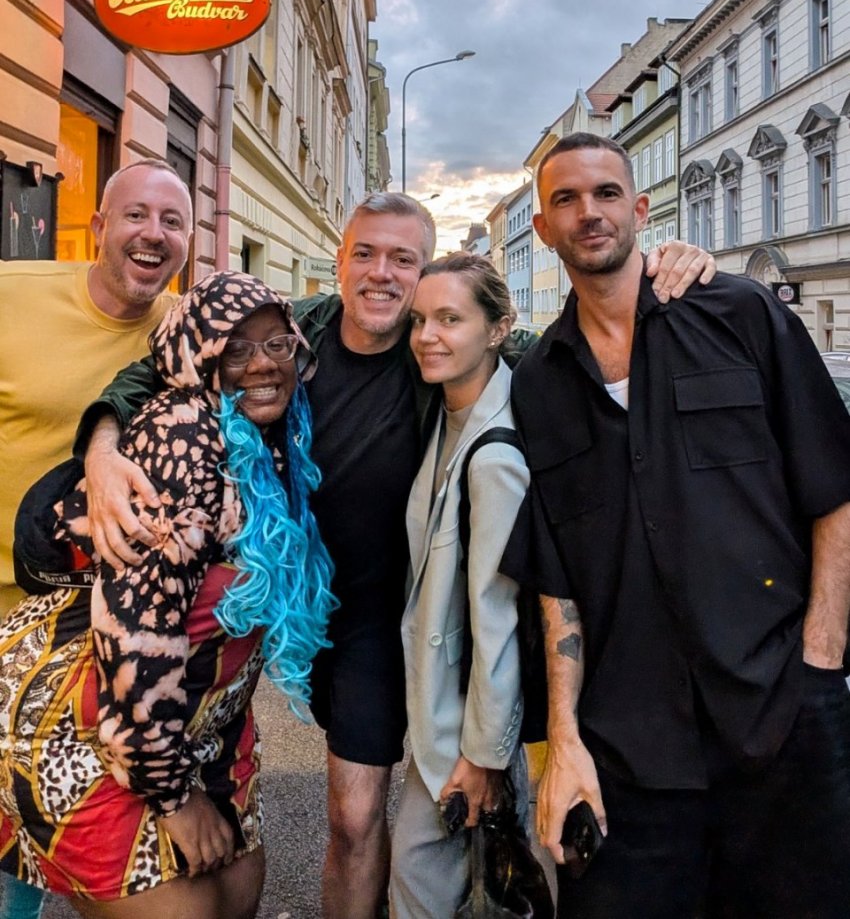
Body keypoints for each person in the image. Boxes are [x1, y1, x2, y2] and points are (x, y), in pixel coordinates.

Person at [74, 193, 715, 919]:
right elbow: (168, 368)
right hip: (328, 617)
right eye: (367, 254)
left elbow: (570, 347)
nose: (382, 274)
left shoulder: (442, 338)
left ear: (423, 270)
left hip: (421, 610)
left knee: (408, 805)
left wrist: (663, 270)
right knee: (328, 808)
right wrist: (101, 442)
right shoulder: (296, 332)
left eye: (403, 259)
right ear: (341, 260)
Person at [505, 132, 850, 917]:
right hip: (627, 750)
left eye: (605, 193)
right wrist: (565, 738)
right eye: (566, 199)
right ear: (542, 228)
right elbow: (557, 576)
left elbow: (834, 487)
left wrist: (821, 667)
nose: (589, 212)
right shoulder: (539, 382)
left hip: (779, 714)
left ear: (641, 208)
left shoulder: (739, 312)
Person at [0, 271, 336, 918]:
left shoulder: (279, 435)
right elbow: (133, 636)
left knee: (237, 890)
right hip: (93, 717)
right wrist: (177, 799)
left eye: (278, 344)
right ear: (200, 357)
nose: (263, 364)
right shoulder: (184, 438)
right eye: (236, 349)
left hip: (198, 727)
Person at [0, 158, 192, 919]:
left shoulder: (185, 330)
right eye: (136, 215)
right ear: (98, 226)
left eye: (172, 221)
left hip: (90, 620)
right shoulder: (14, 298)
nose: (153, 234)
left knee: (55, 820)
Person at [389, 253, 528, 918]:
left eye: (450, 318)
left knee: (421, 880)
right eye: (419, 319)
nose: (427, 335)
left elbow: (495, 614)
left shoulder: (495, 454)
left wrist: (484, 755)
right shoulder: (444, 411)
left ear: (499, 328)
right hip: (437, 702)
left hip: (463, 723)